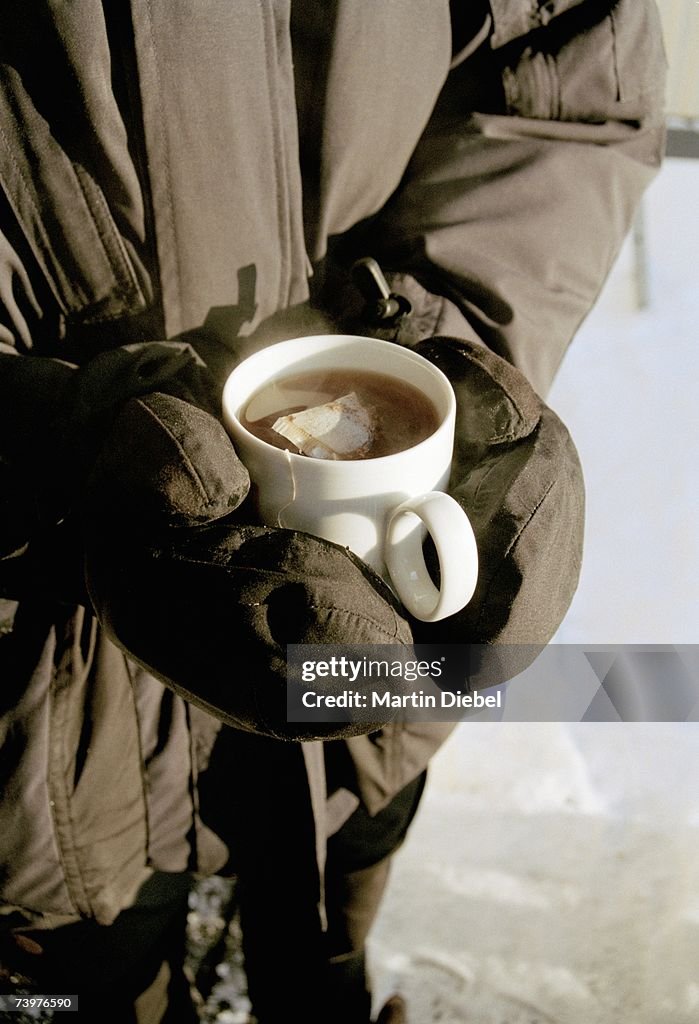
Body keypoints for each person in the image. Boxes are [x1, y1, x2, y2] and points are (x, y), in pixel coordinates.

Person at [0, 2, 666, 1022]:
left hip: (358, 732)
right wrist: (57, 444)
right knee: (90, 976)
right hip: (39, 722)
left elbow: (567, 64)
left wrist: (444, 347)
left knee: (321, 912)